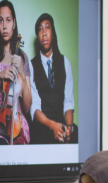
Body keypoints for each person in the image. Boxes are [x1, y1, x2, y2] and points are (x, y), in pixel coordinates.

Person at [0, 0, 32, 145]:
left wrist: (22, 73)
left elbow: (28, 107)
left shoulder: (22, 57)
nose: (4, 26)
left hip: (17, 121)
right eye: (0, 21)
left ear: (14, 23)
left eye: (8, 20)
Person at [29, 13, 77, 144]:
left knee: (76, 134)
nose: (44, 33)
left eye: (47, 27)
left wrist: (68, 128)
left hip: (62, 124)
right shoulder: (31, 66)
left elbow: (68, 102)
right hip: (43, 127)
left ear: (53, 33)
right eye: (40, 29)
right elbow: (35, 107)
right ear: (38, 37)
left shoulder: (65, 62)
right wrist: (52, 126)